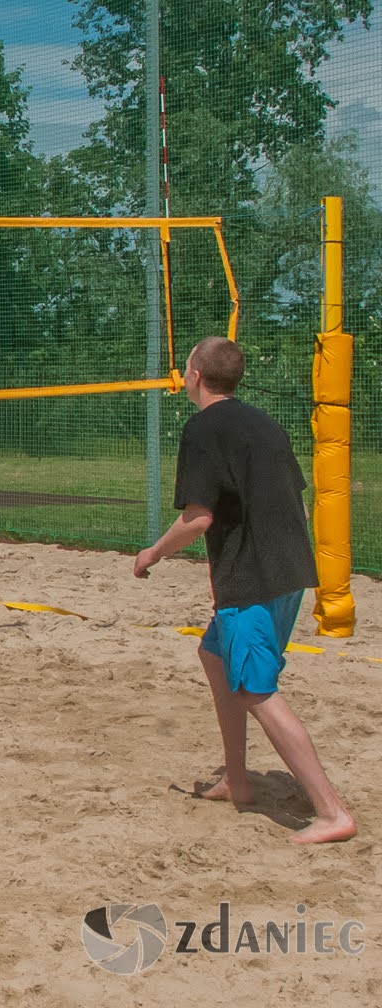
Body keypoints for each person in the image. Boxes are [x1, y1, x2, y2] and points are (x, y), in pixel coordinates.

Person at [134, 336, 357, 844]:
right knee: (214, 655)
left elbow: (198, 519)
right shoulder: (265, 423)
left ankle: (331, 813)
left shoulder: (202, 429)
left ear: (194, 376)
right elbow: (297, 503)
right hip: (289, 571)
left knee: (257, 689)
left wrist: (151, 554)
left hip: (250, 577)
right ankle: (237, 780)